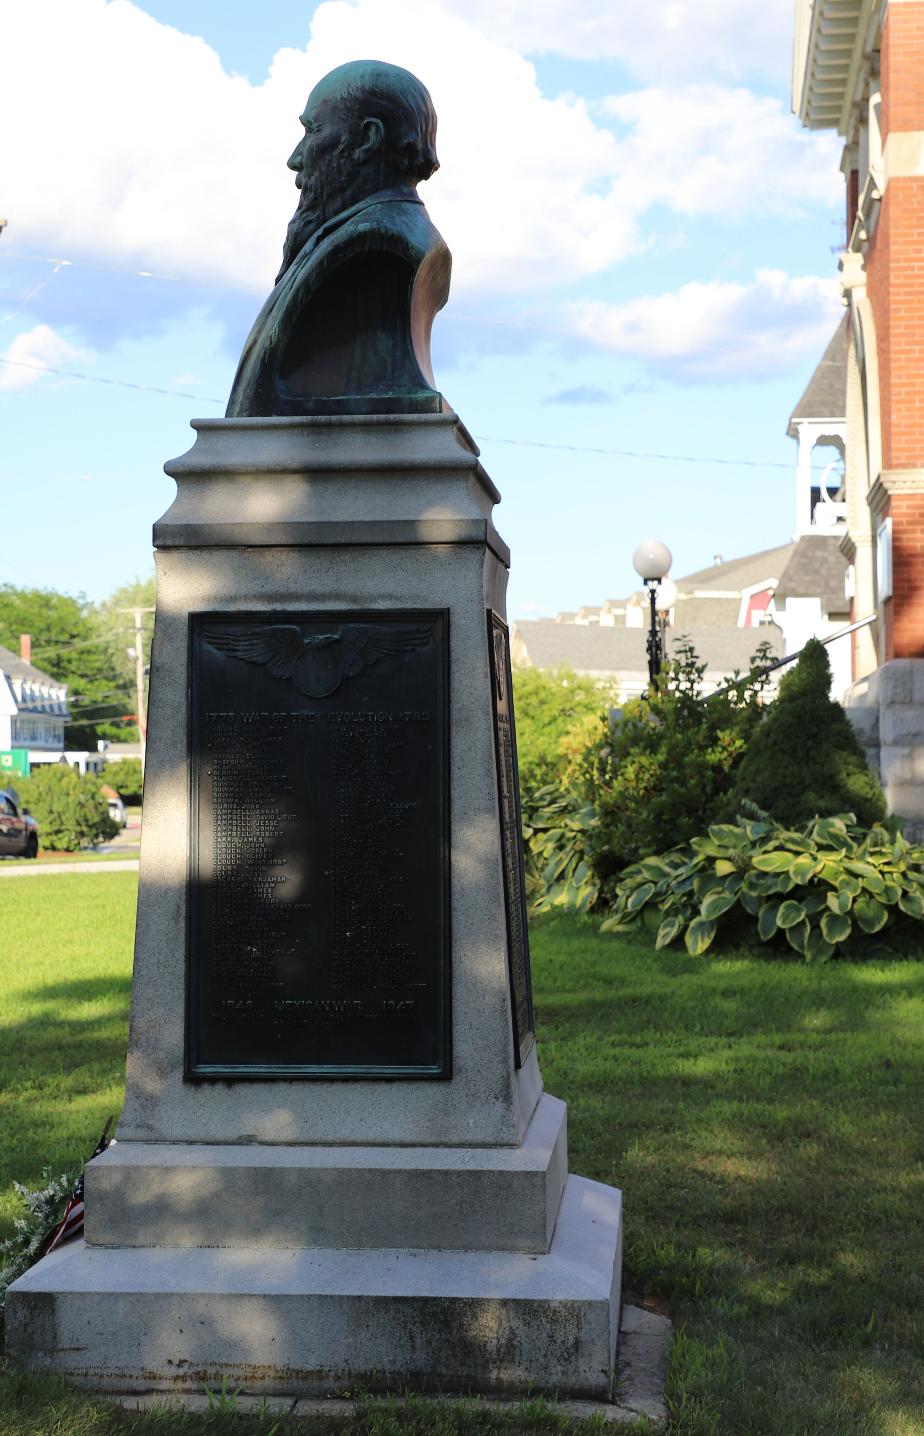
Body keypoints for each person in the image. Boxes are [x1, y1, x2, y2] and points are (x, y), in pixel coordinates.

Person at [226, 60, 451, 417]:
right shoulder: (346, 237)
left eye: (312, 131)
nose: (295, 159)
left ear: (367, 139)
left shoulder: (380, 245)